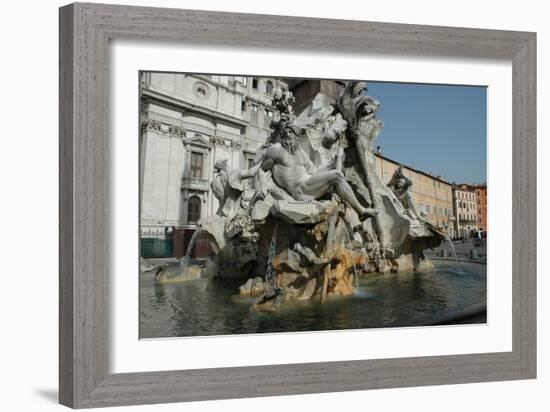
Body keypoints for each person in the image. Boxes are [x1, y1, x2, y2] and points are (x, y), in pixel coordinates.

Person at [257, 123, 378, 221]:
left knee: (337, 177)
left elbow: (314, 171)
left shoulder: (300, 153)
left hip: (309, 185)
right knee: (337, 175)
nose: (294, 138)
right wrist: (262, 184)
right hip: (299, 190)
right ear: (285, 134)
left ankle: (354, 212)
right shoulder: (276, 150)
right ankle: (361, 211)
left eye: (296, 135)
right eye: (292, 133)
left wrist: (335, 160)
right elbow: (262, 169)